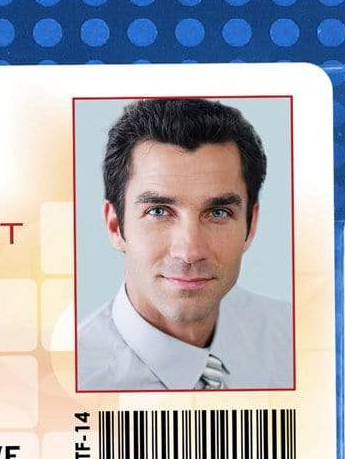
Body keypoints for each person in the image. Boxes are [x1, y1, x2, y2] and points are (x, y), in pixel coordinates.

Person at [77, 98, 292, 391]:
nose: (189, 252)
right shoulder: (69, 382)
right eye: (158, 211)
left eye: (218, 213)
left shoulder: (296, 339)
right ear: (115, 225)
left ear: (250, 225)